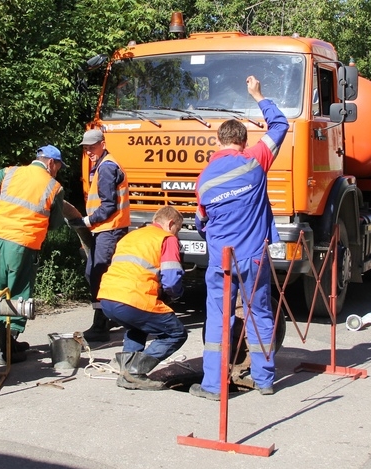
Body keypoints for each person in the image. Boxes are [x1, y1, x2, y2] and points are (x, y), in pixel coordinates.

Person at [191, 76, 289, 400]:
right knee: (259, 314)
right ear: (244, 141)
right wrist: (258, 94)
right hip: (253, 257)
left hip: (221, 260)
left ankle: (212, 386)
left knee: (218, 320)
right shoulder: (256, 160)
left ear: (219, 142)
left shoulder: (203, 179)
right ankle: (264, 381)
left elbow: (201, 222)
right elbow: (280, 125)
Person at [0, 145, 67, 364]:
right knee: (18, 293)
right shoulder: (54, 187)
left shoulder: (11, 172)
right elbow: (54, 224)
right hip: (24, 243)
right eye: (59, 167)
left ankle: (8, 343)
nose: (58, 171)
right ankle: (7, 350)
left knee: (2, 291)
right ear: (51, 163)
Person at [97, 206, 187, 391]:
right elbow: (171, 281)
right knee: (177, 333)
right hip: (132, 299)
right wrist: (175, 295)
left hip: (107, 298)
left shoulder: (132, 236)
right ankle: (136, 371)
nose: (176, 235)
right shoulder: (166, 238)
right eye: (177, 230)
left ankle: (126, 373)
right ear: (170, 224)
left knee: (137, 327)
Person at [79, 129, 131, 342]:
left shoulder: (107, 167)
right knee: (95, 272)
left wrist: (87, 220)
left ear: (102, 143)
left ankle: (101, 325)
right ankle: (108, 317)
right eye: (86, 148)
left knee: (98, 274)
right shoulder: (103, 164)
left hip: (109, 228)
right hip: (106, 229)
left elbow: (108, 205)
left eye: (92, 147)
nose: (89, 151)